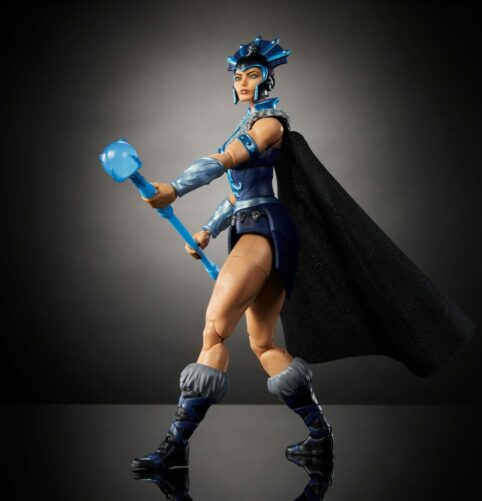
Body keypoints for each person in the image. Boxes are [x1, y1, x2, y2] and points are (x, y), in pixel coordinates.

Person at [131, 36, 333, 471]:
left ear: (268, 80)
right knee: (262, 342)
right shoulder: (249, 123)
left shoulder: (270, 124)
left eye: (252, 75)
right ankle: (321, 437)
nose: (243, 82)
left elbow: (226, 160)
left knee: (214, 332)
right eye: (238, 76)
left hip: (263, 229)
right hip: (255, 226)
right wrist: (208, 230)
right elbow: (238, 193)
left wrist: (175, 188)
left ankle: (175, 446)